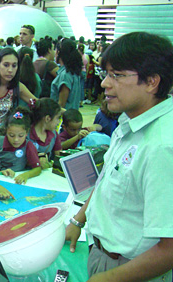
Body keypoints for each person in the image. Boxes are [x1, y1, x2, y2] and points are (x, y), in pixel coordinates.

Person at [65, 32, 173, 282]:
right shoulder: (130, 122)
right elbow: (107, 180)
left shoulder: (161, 146)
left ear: (151, 82)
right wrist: (78, 220)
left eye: (117, 75)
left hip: (132, 270)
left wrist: (106, 279)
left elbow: (169, 249)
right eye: (106, 74)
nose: (104, 84)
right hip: (104, 254)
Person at [0, 106, 41, 184]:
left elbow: (37, 169)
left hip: (16, 181)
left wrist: (25, 175)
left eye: (20, 136)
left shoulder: (28, 145)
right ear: (6, 131)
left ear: (26, 133)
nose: (16, 140)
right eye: (11, 135)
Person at [26, 98, 62, 169]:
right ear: (47, 119)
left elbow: (59, 157)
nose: (58, 122)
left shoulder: (54, 134)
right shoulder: (26, 135)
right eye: (57, 118)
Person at [50, 38, 83, 110]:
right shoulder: (73, 72)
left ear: (58, 52)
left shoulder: (65, 74)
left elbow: (61, 104)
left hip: (64, 117)